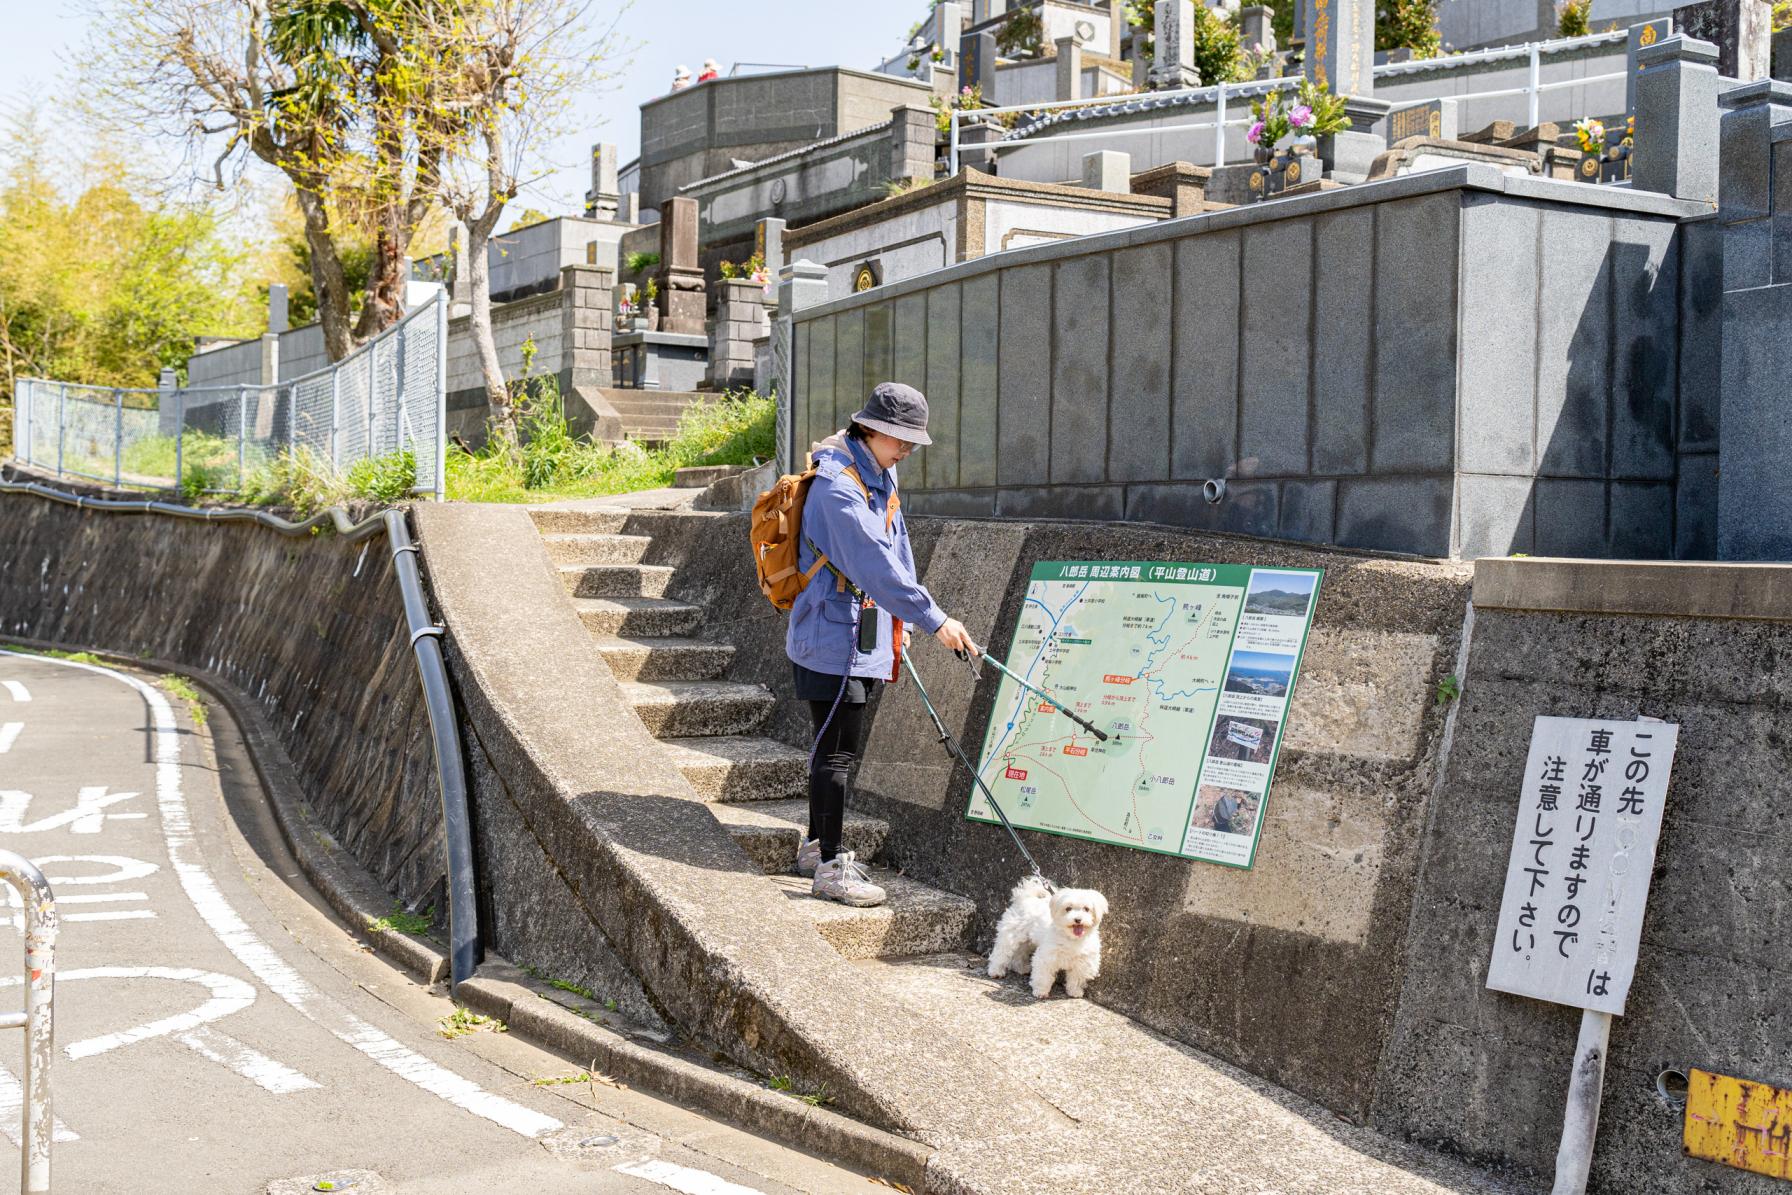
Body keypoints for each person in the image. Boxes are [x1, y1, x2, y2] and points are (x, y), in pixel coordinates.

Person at [787, 382, 976, 906]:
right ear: (872, 430)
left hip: (864, 633)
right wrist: (936, 620)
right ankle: (830, 866)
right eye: (902, 439)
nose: (909, 449)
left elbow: (900, 546)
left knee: (837, 747)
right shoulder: (837, 490)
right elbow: (873, 562)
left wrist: (905, 626)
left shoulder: (879, 473)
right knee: (837, 752)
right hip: (830, 637)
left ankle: (815, 845)